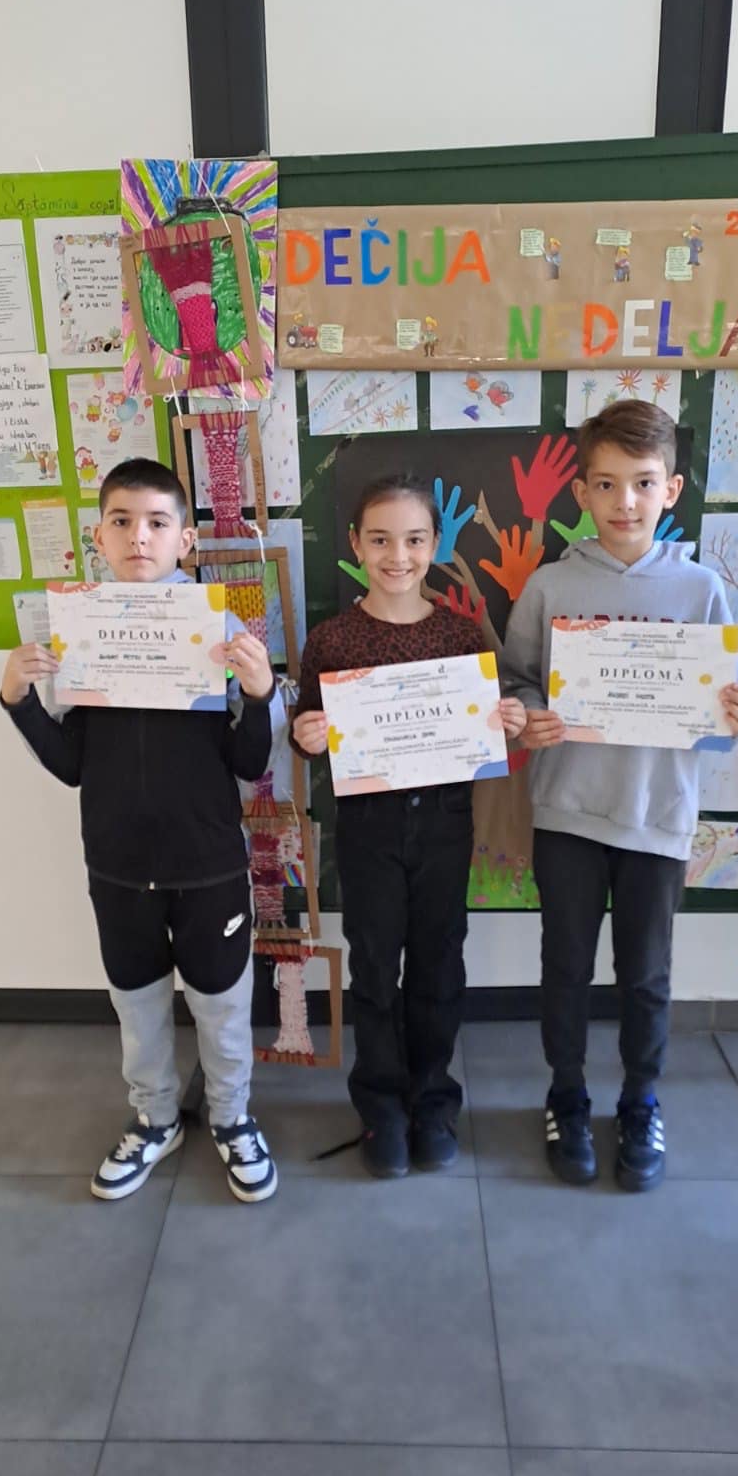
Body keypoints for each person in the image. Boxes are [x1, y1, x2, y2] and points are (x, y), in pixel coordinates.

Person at [0, 458, 282, 1204]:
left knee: (221, 1002)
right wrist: (18, 700)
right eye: (121, 522)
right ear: (98, 536)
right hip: (119, 864)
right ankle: (156, 1118)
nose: (139, 537)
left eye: (157, 522)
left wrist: (260, 696)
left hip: (207, 862)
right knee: (136, 1000)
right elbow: (71, 766)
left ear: (185, 539)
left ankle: (232, 1117)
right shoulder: (81, 632)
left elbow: (250, 761)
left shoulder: (217, 628)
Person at [501, 401, 738, 1192]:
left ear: (671, 489)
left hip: (658, 816)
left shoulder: (703, 590)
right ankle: (567, 1095)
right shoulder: (550, 586)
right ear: (581, 491)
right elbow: (517, 681)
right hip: (568, 812)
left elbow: (720, 712)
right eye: (608, 484)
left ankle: (641, 1101)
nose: (625, 502)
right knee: (565, 968)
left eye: (644, 483)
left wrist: (734, 717)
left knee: (646, 974)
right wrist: (528, 715)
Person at [292, 474, 526, 1178]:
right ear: (356, 544)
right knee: (372, 968)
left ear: (435, 545)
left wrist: (507, 719)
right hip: (367, 825)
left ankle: (433, 1101)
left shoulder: (459, 633)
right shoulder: (332, 639)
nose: (398, 556)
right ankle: (381, 1107)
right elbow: (309, 732)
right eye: (381, 540)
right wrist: (307, 735)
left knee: (438, 965)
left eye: (415, 540)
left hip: (445, 824)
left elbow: (482, 727)